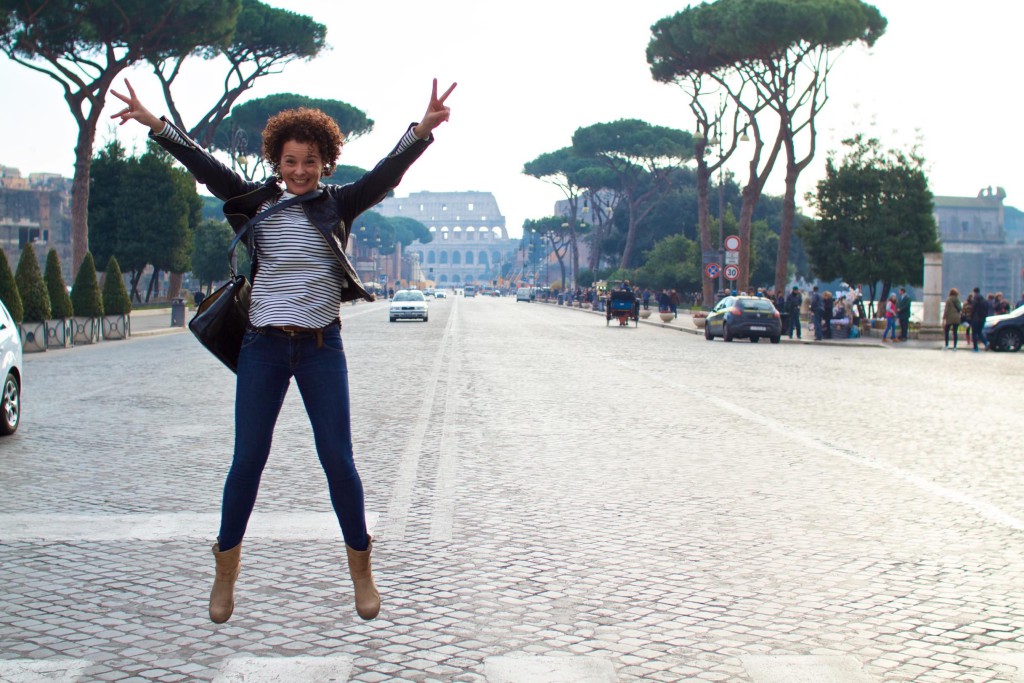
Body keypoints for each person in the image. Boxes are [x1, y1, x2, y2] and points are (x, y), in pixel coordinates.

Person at [111, 76, 456, 624]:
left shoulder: (340, 204)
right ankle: (225, 574)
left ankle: (361, 571)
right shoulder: (256, 201)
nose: (300, 171)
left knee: (338, 460)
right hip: (263, 348)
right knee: (247, 460)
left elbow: (387, 174)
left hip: (322, 348)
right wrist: (154, 123)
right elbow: (201, 162)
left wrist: (419, 131)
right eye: (291, 161)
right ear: (276, 160)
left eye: (311, 161)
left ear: (325, 163)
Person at [970, 287, 989, 352]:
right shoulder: (984, 300)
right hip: (982, 319)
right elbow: (987, 310)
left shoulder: (975, 299)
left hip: (976, 319)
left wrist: (971, 317)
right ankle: (986, 342)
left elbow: (973, 309)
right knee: (979, 332)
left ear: (974, 292)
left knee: (974, 333)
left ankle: (975, 348)